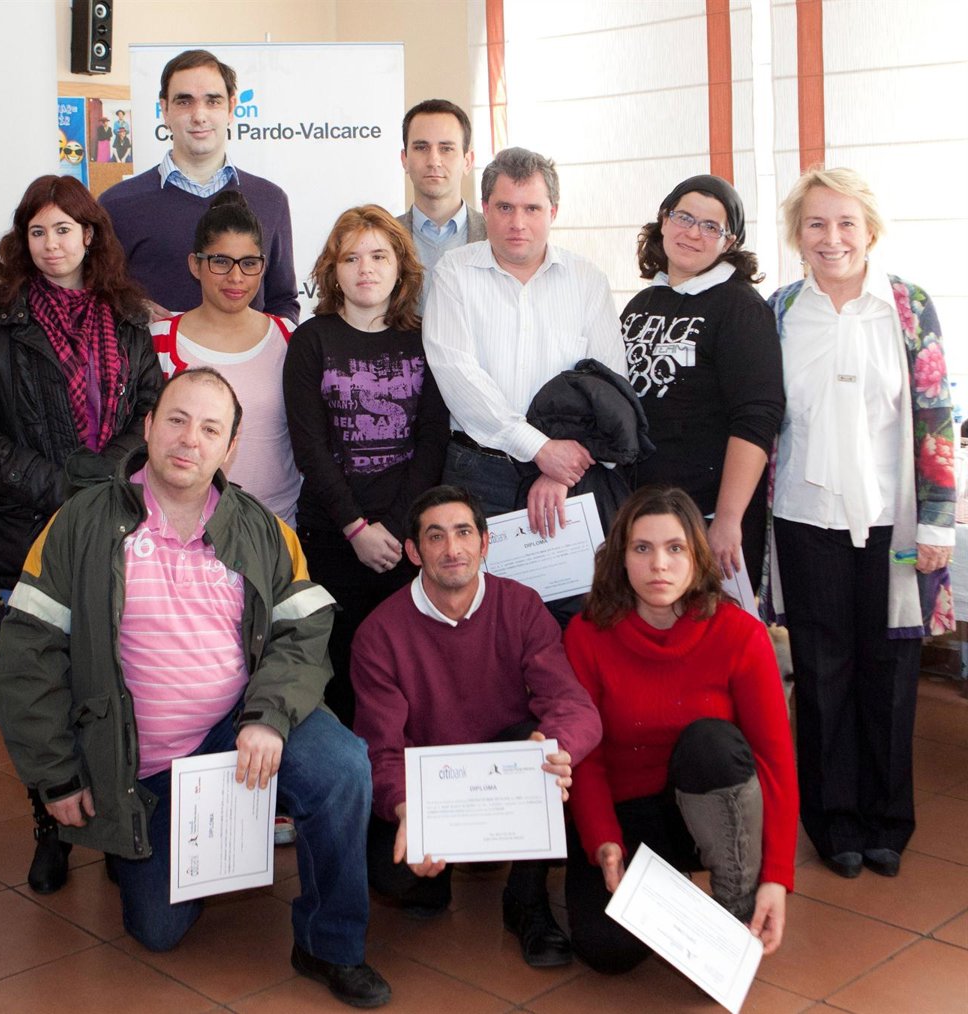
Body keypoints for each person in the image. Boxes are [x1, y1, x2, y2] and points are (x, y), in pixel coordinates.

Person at [0, 368, 392, 1008]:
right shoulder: (79, 523)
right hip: (145, 767)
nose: (189, 440)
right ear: (149, 427)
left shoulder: (264, 529)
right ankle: (150, 840)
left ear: (230, 448)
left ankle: (330, 945)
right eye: (177, 420)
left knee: (343, 766)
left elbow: (304, 629)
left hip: (241, 724)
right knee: (157, 931)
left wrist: (267, 716)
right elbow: (28, 654)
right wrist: (56, 774)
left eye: (211, 429)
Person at [0, 174, 162, 895]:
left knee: (117, 679)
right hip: (31, 529)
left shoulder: (127, 316)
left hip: (118, 525)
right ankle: (52, 824)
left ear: (90, 235)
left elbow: (151, 410)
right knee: (45, 684)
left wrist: (107, 472)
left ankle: (116, 817)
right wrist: (59, 484)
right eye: (36, 232)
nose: (50, 245)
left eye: (63, 230)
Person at [767, 166, 955, 880]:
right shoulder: (780, 311)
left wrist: (938, 523)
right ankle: (834, 824)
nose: (832, 237)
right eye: (816, 223)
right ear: (798, 234)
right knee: (821, 673)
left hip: (893, 524)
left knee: (892, 669)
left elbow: (936, 415)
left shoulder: (907, 306)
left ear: (870, 230)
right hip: (804, 516)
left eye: (846, 222)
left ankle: (887, 822)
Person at [351, 485, 601, 967]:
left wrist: (557, 747)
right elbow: (381, 749)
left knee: (541, 752)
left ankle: (526, 901)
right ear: (413, 551)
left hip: (503, 778)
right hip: (430, 792)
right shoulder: (378, 634)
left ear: (485, 543)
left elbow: (572, 704)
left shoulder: (521, 606)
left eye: (464, 533)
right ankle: (433, 881)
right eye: (436, 536)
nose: (452, 549)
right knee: (390, 873)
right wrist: (406, 808)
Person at [562, 486, 798, 973]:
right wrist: (604, 840)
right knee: (607, 950)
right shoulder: (586, 634)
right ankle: (670, 887)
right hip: (629, 811)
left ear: (697, 557)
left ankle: (736, 895)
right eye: (642, 548)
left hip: (711, 805)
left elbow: (775, 762)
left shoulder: (740, 634)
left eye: (675, 548)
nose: (659, 566)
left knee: (711, 741)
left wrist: (776, 876)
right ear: (620, 557)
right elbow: (585, 756)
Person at [283, 206, 449, 726]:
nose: (365, 269)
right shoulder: (311, 340)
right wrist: (355, 527)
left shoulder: (425, 338)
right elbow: (309, 447)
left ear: (401, 266)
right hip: (332, 535)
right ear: (333, 271)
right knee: (340, 677)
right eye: (351, 258)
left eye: (378, 256)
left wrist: (396, 530)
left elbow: (432, 441)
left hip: (405, 538)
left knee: (406, 678)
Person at [424, 147, 626, 539]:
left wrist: (559, 468)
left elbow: (609, 383)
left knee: (573, 583)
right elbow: (457, 373)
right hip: (479, 472)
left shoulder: (587, 280)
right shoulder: (454, 272)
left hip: (569, 475)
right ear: (485, 208)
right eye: (505, 208)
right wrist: (539, 449)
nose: (518, 223)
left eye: (532, 208)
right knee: (473, 581)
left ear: (553, 212)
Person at [621, 175, 784, 582]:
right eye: (684, 217)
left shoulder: (741, 307)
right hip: (644, 514)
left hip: (706, 519)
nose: (693, 233)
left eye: (711, 226)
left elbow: (757, 417)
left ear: (729, 243)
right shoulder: (641, 303)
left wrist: (728, 519)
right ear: (664, 220)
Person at [100, 49, 298, 320]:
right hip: (152, 350)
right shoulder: (116, 205)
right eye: (184, 101)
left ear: (231, 108)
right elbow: (95, 296)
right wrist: (129, 310)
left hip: (247, 350)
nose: (199, 115)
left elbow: (283, 302)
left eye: (212, 101)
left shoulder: (271, 200)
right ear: (165, 110)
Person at [151, 190, 301, 526]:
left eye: (249, 263)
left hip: (278, 527)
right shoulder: (158, 339)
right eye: (220, 261)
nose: (236, 277)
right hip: (181, 530)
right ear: (195, 264)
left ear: (263, 266)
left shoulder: (288, 338)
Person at [396, 99, 485, 311]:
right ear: (404, 159)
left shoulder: (496, 237)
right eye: (421, 147)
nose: (434, 161)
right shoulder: (384, 238)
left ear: (468, 161)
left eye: (446, 148)